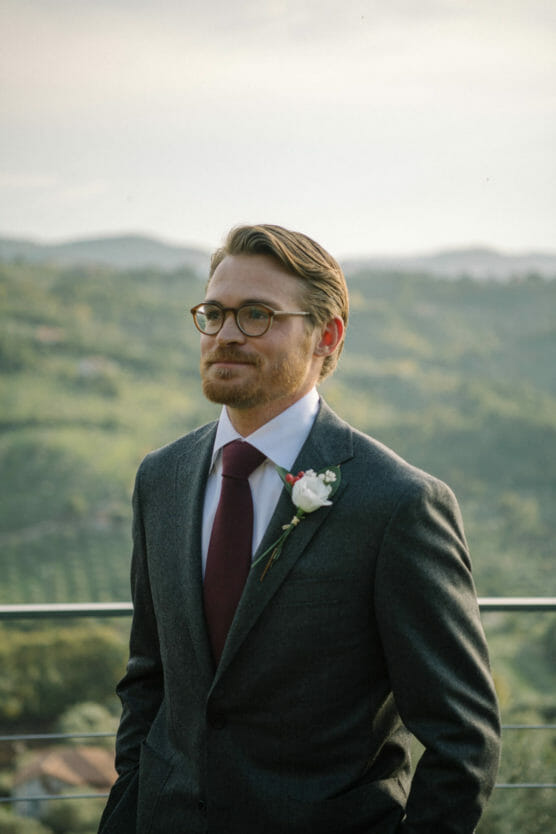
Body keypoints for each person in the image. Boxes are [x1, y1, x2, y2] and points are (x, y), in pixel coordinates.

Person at [98, 224, 500, 834]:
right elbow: (149, 676)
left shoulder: (399, 505)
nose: (226, 334)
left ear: (326, 336)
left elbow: (462, 740)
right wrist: (129, 806)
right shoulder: (162, 477)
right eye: (214, 313)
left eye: (257, 314)